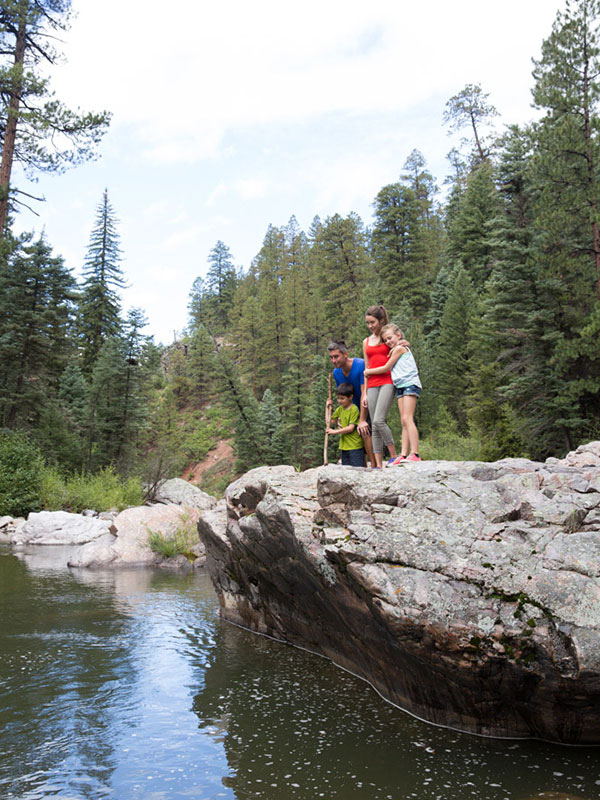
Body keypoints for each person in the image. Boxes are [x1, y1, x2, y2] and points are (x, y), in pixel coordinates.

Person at [364, 323, 422, 463]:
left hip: (409, 384)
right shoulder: (396, 348)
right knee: (403, 420)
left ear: (398, 335)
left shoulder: (400, 349)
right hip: (401, 385)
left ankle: (415, 453)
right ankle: (403, 454)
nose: (388, 342)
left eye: (390, 338)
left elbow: (386, 367)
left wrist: (368, 372)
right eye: (386, 340)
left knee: (408, 418)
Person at [327, 340, 375, 466]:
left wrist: (362, 419)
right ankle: (362, 466)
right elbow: (342, 395)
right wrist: (340, 416)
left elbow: (364, 393)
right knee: (354, 437)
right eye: (331, 357)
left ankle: (375, 465)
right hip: (352, 409)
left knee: (364, 431)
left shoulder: (360, 365)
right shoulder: (337, 373)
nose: (333, 361)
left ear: (345, 354)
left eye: (336, 356)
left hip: (368, 404)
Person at [362, 305, 398, 468]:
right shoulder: (366, 342)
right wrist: (364, 393)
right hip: (372, 384)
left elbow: (399, 344)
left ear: (381, 320)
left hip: (387, 381)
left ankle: (394, 455)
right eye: (368, 323)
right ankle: (377, 465)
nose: (370, 326)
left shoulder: (386, 338)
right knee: (374, 426)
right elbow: (367, 368)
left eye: (373, 322)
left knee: (379, 420)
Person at [325, 383, 365, 467]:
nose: (339, 401)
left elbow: (351, 428)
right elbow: (329, 422)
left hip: (354, 446)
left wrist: (335, 432)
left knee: (357, 470)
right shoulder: (340, 409)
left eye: (342, 399)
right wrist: (327, 408)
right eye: (338, 398)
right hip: (344, 446)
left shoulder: (354, 409)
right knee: (346, 471)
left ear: (350, 397)